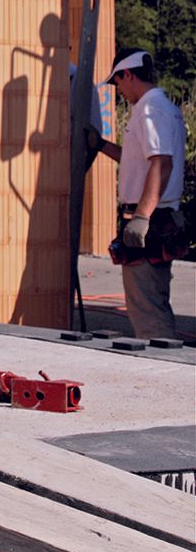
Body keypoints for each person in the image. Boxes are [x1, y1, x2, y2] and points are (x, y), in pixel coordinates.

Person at [96, 50, 189, 342]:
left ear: (128, 75)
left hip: (151, 217)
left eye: (118, 83)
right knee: (152, 300)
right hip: (160, 215)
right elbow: (140, 160)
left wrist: (141, 217)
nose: (120, 91)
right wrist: (100, 145)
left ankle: (163, 374)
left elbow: (161, 162)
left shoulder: (150, 110)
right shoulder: (163, 108)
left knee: (147, 309)